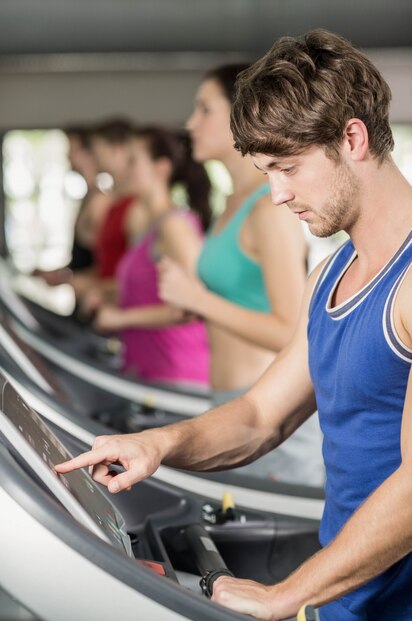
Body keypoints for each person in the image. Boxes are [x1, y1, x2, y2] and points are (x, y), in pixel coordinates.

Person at [55, 29, 412, 621]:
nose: (276, 194)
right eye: (266, 172)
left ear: (353, 137)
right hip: (345, 602)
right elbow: (259, 418)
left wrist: (284, 594)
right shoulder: (330, 276)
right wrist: (159, 444)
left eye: (289, 168)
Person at [158, 63, 323, 485]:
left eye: (203, 109)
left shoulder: (268, 210)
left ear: (239, 114)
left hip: (267, 411)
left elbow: (291, 330)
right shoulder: (232, 205)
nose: (191, 123)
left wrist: (199, 299)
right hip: (229, 403)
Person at [91, 126, 211, 387]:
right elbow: (150, 291)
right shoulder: (146, 227)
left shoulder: (175, 226)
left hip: (178, 372)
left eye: (133, 161)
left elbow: (194, 305)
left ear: (161, 168)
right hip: (149, 371)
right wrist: (107, 297)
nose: (125, 169)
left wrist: (120, 318)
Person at [74, 117, 145, 309]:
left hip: (121, 307)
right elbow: (92, 243)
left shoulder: (136, 206)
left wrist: (94, 287)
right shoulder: (110, 201)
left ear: (118, 150)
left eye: (99, 150)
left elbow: (139, 276)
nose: (96, 157)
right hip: (108, 304)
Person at [34, 124, 111, 288]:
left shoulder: (100, 202)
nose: (68, 155)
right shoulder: (88, 198)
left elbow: (102, 264)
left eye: (72, 149)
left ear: (90, 154)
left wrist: (64, 278)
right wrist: (61, 273)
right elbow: (83, 259)